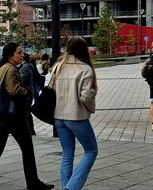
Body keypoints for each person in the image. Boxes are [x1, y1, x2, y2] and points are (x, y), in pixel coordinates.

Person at [0, 42, 54, 190]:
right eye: (19, 52)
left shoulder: (2, 68)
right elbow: (14, 90)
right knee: (26, 150)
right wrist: (28, 92)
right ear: (11, 55)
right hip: (13, 117)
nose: (22, 54)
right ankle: (32, 182)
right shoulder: (11, 69)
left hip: (1, 117)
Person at [53, 37, 98, 190]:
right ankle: (71, 187)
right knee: (91, 151)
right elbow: (86, 96)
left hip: (59, 116)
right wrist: (91, 108)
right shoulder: (85, 69)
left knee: (67, 154)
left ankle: (66, 186)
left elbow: (50, 90)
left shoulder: (58, 66)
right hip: (76, 116)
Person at [19, 52, 37, 136]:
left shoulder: (25, 67)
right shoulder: (27, 66)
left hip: (26, 93)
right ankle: (30, 130)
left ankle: (30, 130)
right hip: (28, 92)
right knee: (26, 111)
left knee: (26, 111)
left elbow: (22, 79)